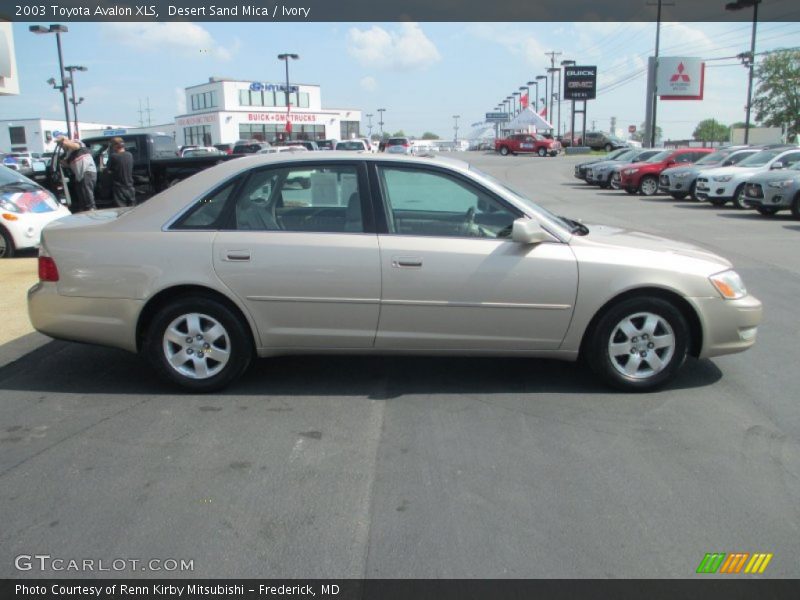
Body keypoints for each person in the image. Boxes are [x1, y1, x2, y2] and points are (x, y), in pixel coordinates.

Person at [57, 136, 97, 211]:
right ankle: (84, 211)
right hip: (79, 175)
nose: (62, 147)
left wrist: (64, 141)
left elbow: (76, 146)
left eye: (61, 145)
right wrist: (61, 162)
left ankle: (92, 210)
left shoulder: (76, 142)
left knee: (87, 194)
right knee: (82, 196)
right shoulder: (68, 153)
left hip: (87, 171)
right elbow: (67, 164)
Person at [106, 137, 135, 207]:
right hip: (130, 186)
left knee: (121, 210)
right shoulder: (130, 155)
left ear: (115, 146)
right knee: (132, 209)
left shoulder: (113, 156)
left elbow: (109, 171)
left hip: (119, 187)